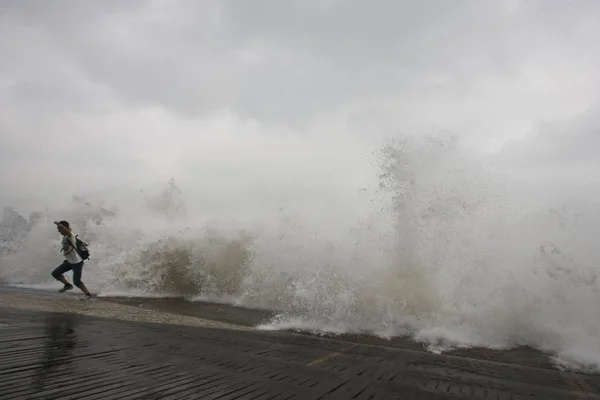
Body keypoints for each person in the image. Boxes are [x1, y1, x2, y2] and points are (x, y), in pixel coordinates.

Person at [51, 221, 92, 299]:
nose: (58, 231)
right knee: (55, 273)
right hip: (69, 262)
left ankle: (87, 295)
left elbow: (67, 232)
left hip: (77, 263)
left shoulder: (71, 236)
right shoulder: (65, 237)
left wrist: (61, 226)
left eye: (59, 229)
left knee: (77, 282)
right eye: (58, 229)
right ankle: (67, 285)